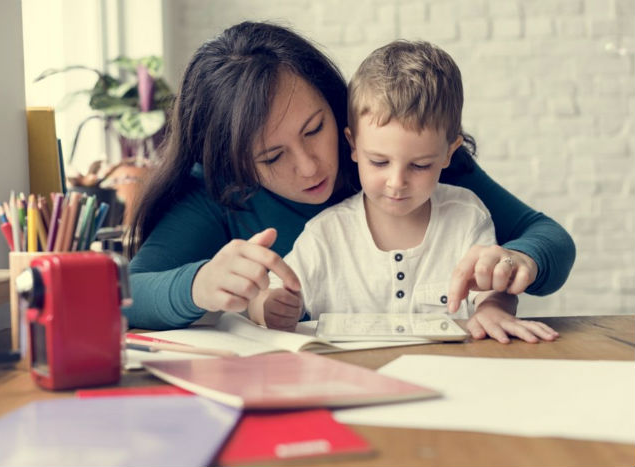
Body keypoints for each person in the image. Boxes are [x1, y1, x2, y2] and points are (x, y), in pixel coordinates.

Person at [126, 21, 575, 333]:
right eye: (271, 155)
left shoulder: (406, 151)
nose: (310, 166)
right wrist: (199, 284)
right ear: (234, 162)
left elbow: (546, 236)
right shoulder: (215, 190)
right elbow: (128, 296)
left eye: (314, 129)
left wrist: (514, 266)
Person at [248, 40, 560, 343]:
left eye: (421, 165)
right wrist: (269, 307)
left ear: (449, 153)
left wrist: (494, 308)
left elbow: (489, 288)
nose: (397, 182)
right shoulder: (326, 234)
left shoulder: (466, 216)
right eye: (379, 161)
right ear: (353, 145)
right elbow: (270, 294)